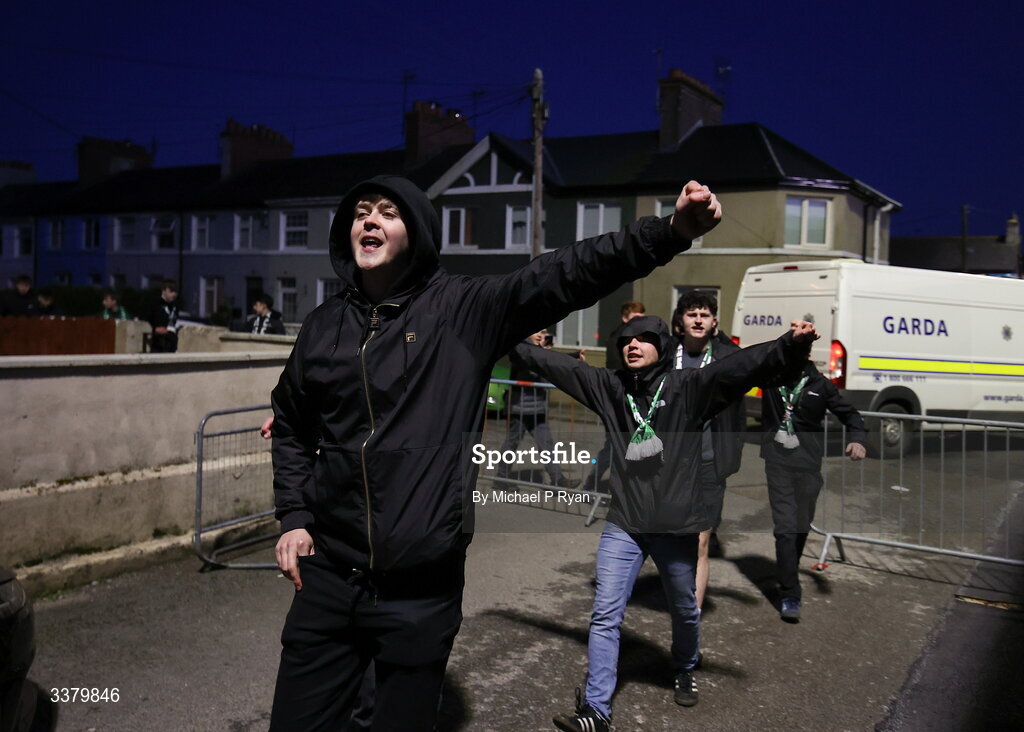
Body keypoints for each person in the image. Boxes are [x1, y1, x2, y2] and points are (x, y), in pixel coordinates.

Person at [268, 174, 722, 731]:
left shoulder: (462, 310)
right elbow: (290, 421)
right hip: (330, 579)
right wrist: (294, 515)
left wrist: (668, 232)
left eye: (387, 212)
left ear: (416, 232)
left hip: (421, 584)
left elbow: (564, 274)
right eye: (361, 211)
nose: (369, 219)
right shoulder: (322, 326)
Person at [513, 316, 817, 731]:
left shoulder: (688, 388)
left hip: (676, 527)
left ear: (661, 346)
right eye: (627, 340)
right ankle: (597, 712)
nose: (633, 345)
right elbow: (559, 368)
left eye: (644, 339)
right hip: (624, 524)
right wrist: (505, 337)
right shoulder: (611, 388)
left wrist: (790, 344)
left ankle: (686, 665)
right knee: (604, 614)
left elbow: (742, 366)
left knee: (685, 611)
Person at [761, 354, 867, 622]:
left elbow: (850, 415)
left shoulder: (821, 385)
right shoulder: (772, 379)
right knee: (785, 528)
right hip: (777, 463)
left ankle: (789, 569)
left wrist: (857, 440)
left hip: (808, 464)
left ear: (808, 353)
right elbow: (740, 364)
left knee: (800, 524)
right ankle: (790, 594)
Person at [671, 291, 745, 610]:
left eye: (705, 314)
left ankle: (692, 614)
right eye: (691, 314)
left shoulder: (729, 356)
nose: (698, 319)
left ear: (714, 322)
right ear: (679, 322)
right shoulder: (663, 355)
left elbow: (767, 363)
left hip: (708, 462)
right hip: (669, 463)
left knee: (701, 541)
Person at [496, 329, 579, 489]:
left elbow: (550, 364)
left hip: (538, 407)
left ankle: (558, 479)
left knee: (546, 444)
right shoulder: (521, 349)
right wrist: (544, 353)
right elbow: (533, 366)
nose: (542, 335)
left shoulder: (539, 351)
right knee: (512, 443)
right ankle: (501, 478)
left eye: (544, 332)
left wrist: (573, 355)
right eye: (538, 332)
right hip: (519, 407)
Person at [584, 301, 646, 490]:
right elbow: (619, 368)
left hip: (627, 399)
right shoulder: (620, 339)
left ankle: (602, 484)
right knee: (614, 445)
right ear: (624, 318)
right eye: (635, 318)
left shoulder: (632, 337)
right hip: (618, 400)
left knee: (619, 445)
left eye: (642, 319)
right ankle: (595, 483)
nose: (640, 323)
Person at [148, 280, 179, 353]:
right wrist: (154, 329)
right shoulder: (155, 304)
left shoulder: (175, 306)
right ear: (164, 291)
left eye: (176, 292)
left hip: (171, 342)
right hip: (158, 342)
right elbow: (147, 319)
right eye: (171, 291)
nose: (174, 294)